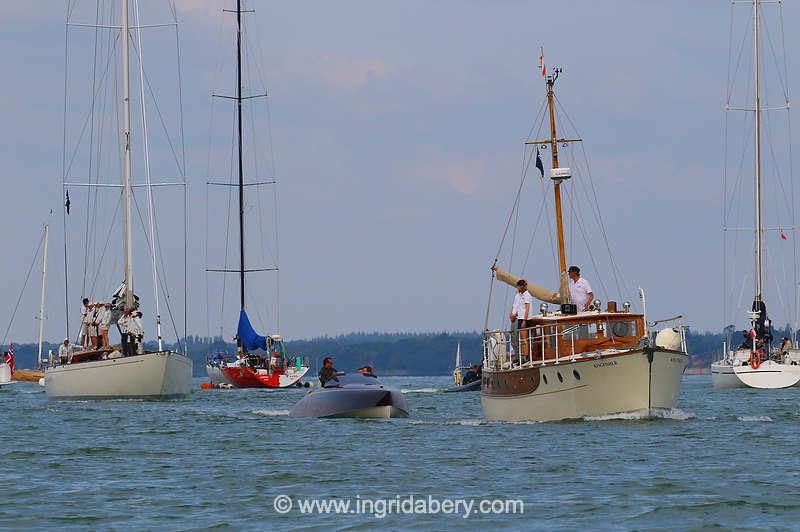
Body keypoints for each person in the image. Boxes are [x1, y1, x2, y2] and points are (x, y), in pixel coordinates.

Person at [511, 279, 534, 356]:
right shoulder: (521, 295)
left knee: (524, 339)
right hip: (520, 318)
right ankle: (523, 355)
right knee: (522, 339)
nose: (518, 288)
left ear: (522, 287)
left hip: (525, 319)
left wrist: (524, 320)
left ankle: (526, 355)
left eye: (519, 287)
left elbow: (527, 309)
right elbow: (520, 308)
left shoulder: (527, 295)